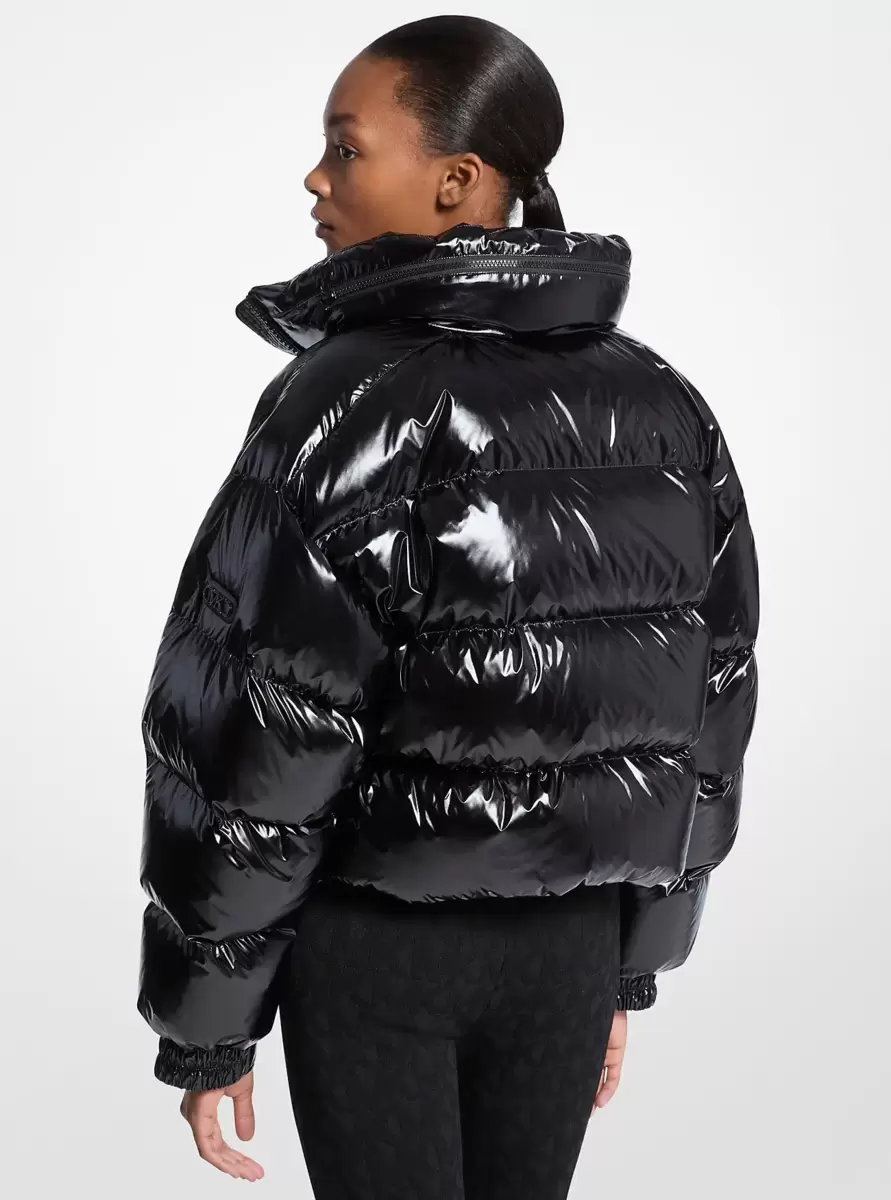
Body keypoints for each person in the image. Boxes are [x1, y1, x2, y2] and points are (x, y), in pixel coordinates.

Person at [136, 14, 759, 1199]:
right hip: (571, 949)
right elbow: (710, 702)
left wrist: (208, 1027)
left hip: (379, 952)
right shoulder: (663, 403)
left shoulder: (350, 399)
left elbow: (259, 726)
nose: (315, 178)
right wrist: (634, 956)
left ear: (456, 183)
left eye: (346, 147)